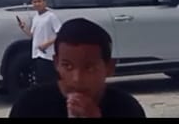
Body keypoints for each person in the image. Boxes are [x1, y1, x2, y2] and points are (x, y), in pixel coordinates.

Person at [9, 18, 146, 118]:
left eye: (89, 68)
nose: (77, 79)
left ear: (109, 67)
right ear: (56, 63)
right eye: (67, 66)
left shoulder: (126, 109)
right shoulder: (30, 105)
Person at [17, 0, 62, 85]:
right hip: (37, 54)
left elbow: (60, 34)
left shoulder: (51, 16)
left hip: (48, 55)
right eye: (34, 2)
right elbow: (33, 35)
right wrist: (24, 28)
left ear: (44, 2)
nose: (37, 4)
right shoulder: (36, 17)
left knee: (50, 81)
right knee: (40, 81)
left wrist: (47, 44)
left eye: (39, 1)